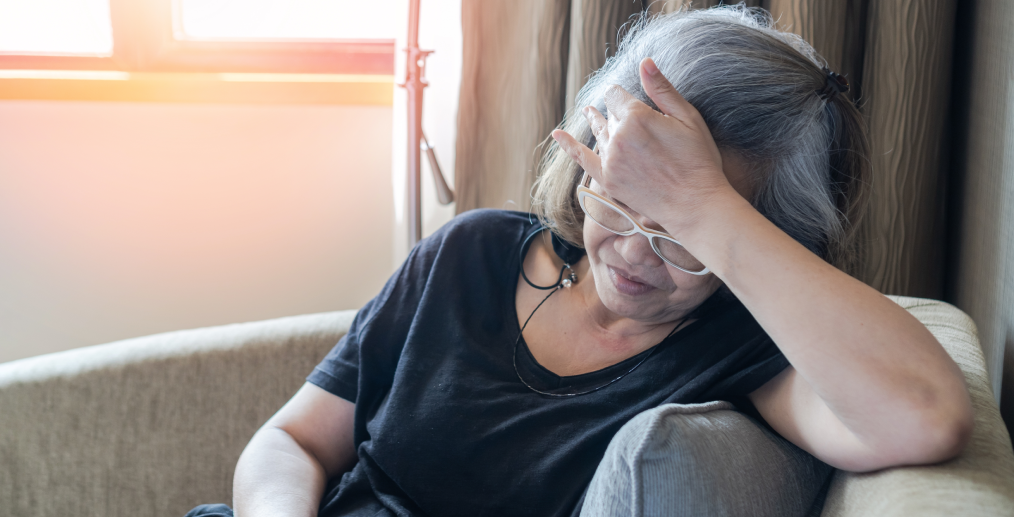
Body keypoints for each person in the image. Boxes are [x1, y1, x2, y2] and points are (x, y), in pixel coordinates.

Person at [187, 6, 972, 517]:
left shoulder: (745, 351)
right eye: (619, 198)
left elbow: (925, 415)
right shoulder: (471, 251)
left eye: (681, 234)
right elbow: (292, 439)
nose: (631, 252)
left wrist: (709, 208)